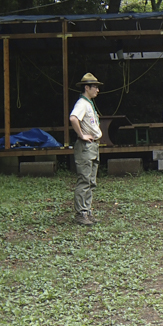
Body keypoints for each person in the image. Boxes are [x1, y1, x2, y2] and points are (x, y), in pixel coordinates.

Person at [69, 73, 103, 226]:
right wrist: (81, 135)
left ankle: (87, 211)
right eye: (95, 87)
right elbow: (73, 118)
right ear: (87, 87)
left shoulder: (89, 103)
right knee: (84, 180)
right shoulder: (82, 103)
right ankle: (81, 213)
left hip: (93, 146)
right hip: (86, 147)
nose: (97, 90)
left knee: (91, 180)